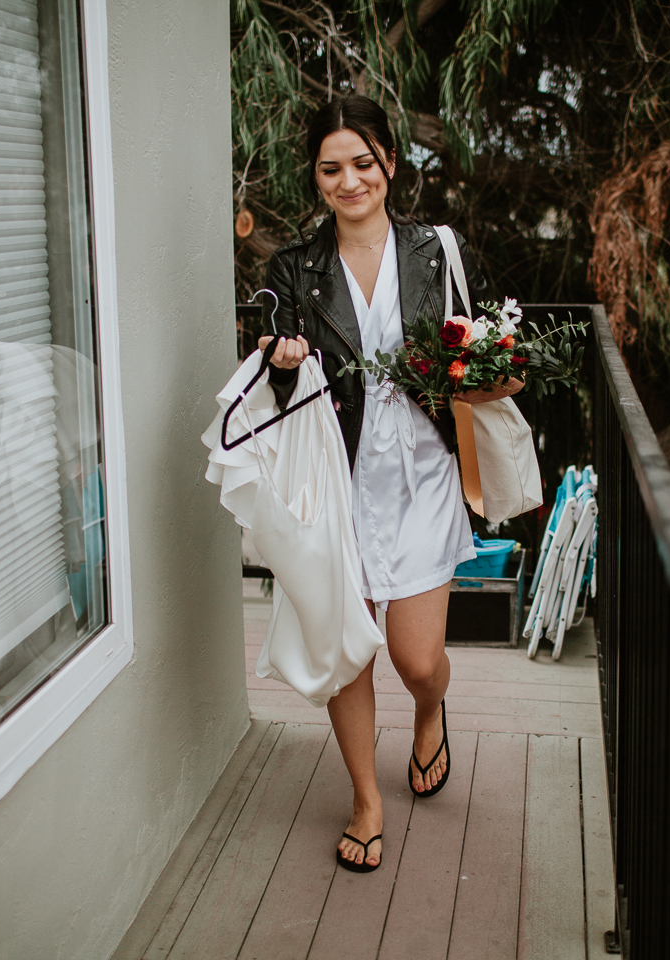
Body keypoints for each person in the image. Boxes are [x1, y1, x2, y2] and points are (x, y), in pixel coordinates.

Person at [259, 95, 523, 871]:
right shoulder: (293, 269)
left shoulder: (438, 251)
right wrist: (278, 363)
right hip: (337, 481)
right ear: (316, 178)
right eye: (331, 168)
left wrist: (479, 363)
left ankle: (431, 708)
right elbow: (268, 371)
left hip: (425, 473)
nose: (349, 181)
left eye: (363, 164)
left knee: (414, 659)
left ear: (391, 166)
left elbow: (491, 339)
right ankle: (366, 799)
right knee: (348, 647)